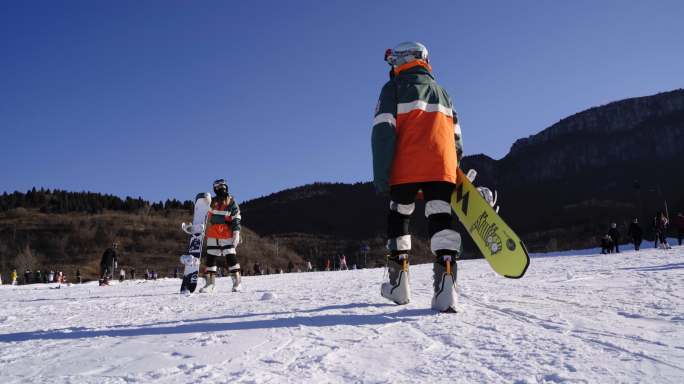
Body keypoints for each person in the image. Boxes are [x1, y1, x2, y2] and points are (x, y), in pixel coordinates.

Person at [372, 42, 463, 313]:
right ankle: (446, 291)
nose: (393, 67)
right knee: (441, 218)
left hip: (406, 166)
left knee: (399, 216)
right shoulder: (443, 93)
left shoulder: (393, 88)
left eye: (394, 61)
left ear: (404, 59)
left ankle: (399, 286)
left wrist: (382, 178)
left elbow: (382, 133)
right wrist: (454, 168)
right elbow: (456, 137)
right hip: (441, 167)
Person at [201, 179, 243, 293]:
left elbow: (236, 218)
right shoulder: (212, 201)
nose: (221, 188)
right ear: (214, 189)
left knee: (230, 256)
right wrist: (203, 202)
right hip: (213, 231)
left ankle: (237, 283)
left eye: (223, 186)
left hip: (226, 231)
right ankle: (210, 284)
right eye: (218, 187)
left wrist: (236, 232)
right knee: (210, 258)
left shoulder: (231, 201)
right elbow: (203, 212)